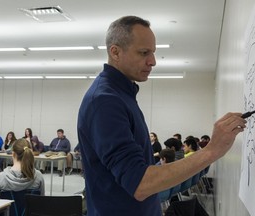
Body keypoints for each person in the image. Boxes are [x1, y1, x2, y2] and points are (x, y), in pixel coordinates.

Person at [77, 15, 246, 216]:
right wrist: (212, 150)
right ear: (115, 52)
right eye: (144, 53)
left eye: (153, 52)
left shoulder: (122, 94)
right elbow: (140, 183)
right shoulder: (105, 101)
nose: (153, 61)